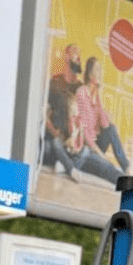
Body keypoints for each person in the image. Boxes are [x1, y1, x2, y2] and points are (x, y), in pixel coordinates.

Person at [72, 57, 129, 185]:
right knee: (108, 167)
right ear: (89, 73)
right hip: (86, 148)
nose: (100, 73)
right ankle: (125, 183)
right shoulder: (82, 93)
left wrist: (99, 96)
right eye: (97, 69)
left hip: (96, 144)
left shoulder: (95, 95)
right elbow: (84, 134)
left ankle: (126, 167)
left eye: (100, 70)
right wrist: (101, 155)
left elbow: (105, 124)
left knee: (112, 129)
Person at [42, 44, 83, 180]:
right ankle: (70, 167)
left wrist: (75, 139)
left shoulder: (81, 88)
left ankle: (63, 164)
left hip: (71, 142)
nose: (78, 57)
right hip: (55, 138)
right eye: (75, 52)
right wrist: (54, 133)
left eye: (79, 54)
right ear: (66, 57)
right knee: (49, 146)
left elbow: (82, 120)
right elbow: (44, 113)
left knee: (84, 152)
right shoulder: (55, 82)